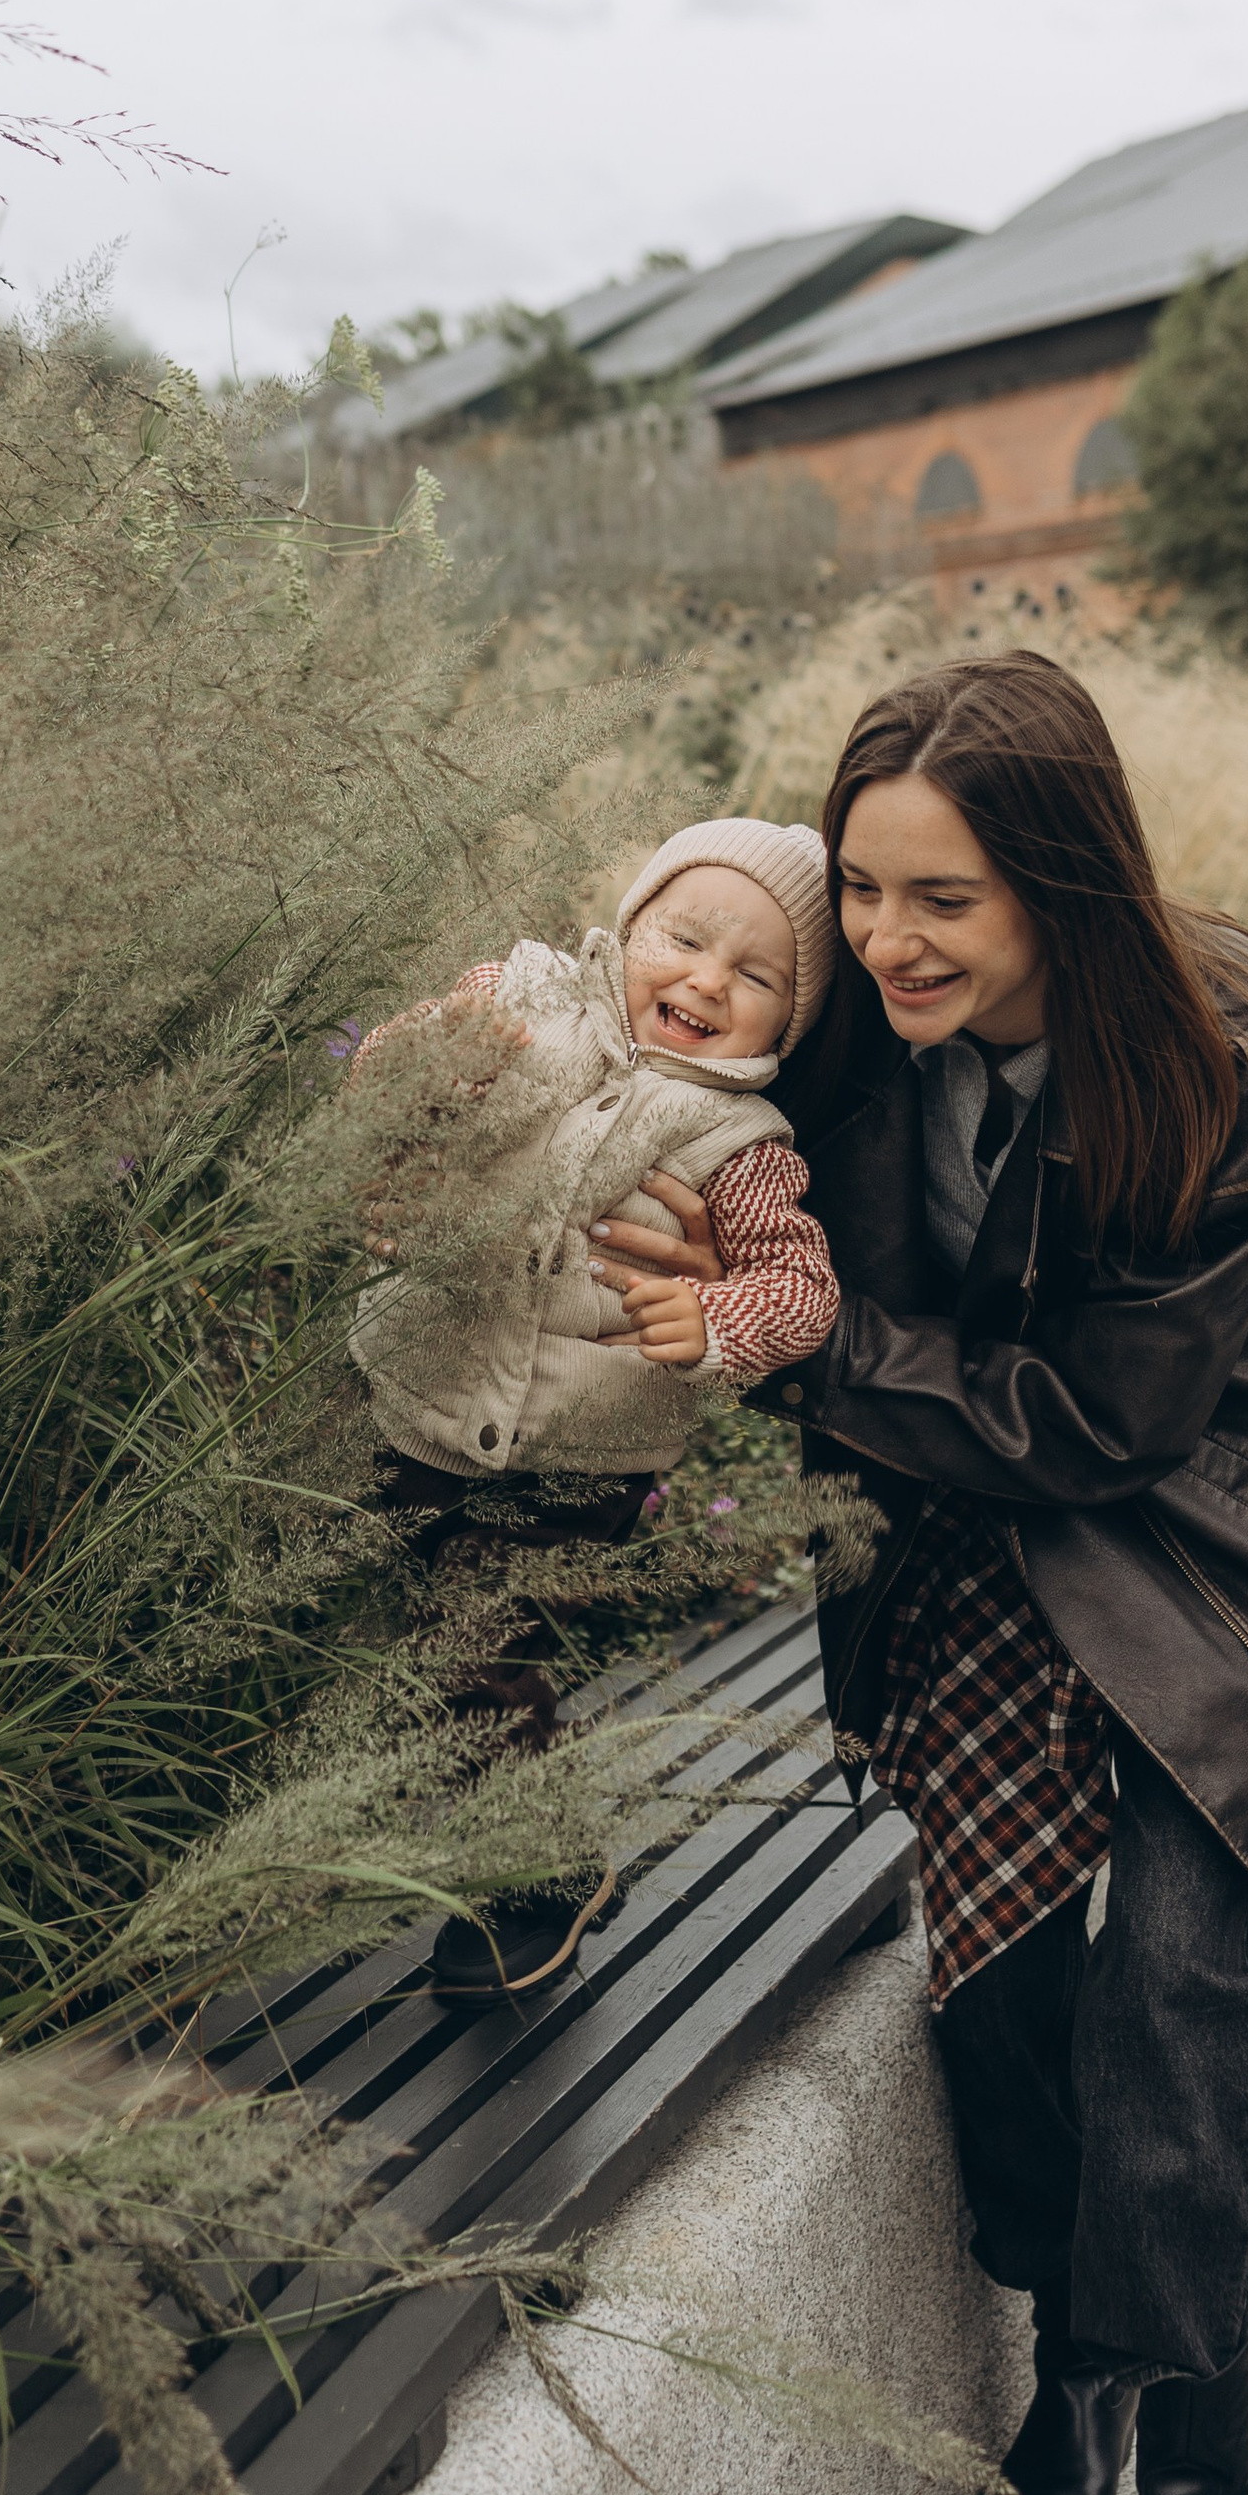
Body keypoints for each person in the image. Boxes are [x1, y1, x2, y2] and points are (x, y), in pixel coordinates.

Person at [591, 654, 1248, 2495]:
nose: (884, 941)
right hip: (982, 1513)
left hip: (1218, 1525)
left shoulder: (1216, 1051)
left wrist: (794, 1352)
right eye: (861, 891)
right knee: (985, 1980)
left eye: (939, 898)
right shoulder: (854, 1059)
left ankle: (1199, 2492)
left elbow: (1102, 1419)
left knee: (1173, 1951)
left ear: (1056, 878)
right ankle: (1074, 2347)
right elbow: (627, 1060)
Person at [350, 818, 843, 2001]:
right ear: (627, 928)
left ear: (792, 1021)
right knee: (379, 1612)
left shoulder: (742, 1141)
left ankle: (534, 1869)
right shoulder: (521, 997)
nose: (706, 981)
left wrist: (720, 1324)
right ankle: (450, 1808)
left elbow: (800, 1283)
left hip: (581, 1449)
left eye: (756, 976)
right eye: (682, 937)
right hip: (415, 1380)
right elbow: (384, 1080)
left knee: (470, 1645)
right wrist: (430, 1059)